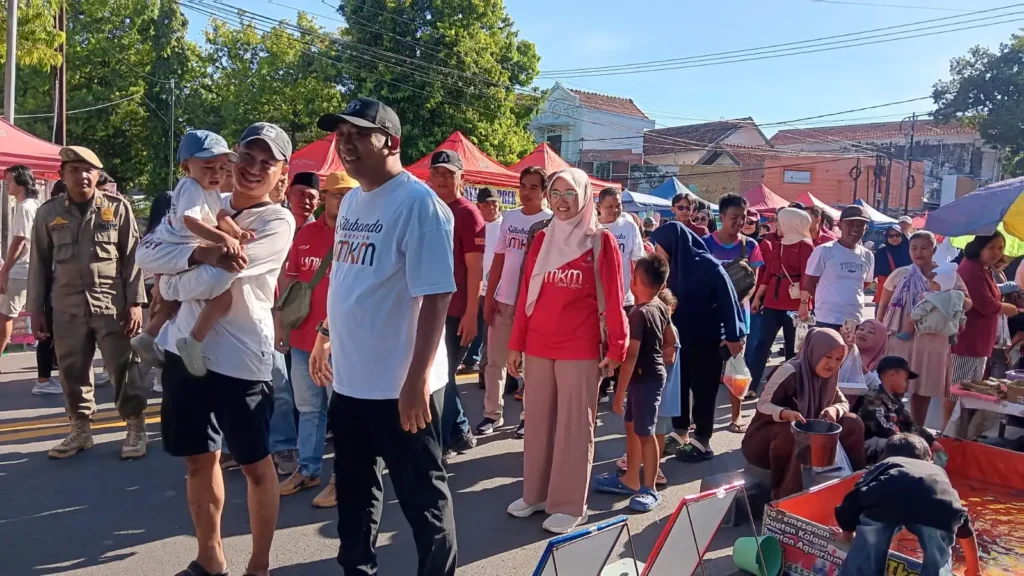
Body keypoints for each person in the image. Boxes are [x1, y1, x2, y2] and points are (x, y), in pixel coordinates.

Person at [309, 97, 457, 575]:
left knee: (422, 501)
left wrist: (414, 383)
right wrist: (324, 334)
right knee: (353, 498)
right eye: (340, 135)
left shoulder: (421, 206)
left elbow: (436, 298)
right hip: (351, 383)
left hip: (401, 390)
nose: (345, 144)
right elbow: (349, 280)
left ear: (390, 141)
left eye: (357, 134)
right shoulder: (351, 199)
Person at [505, 167, 627, 535]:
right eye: (554, 193)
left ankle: (570, 504)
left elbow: (616, 295)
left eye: (569, 193)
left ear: (584, 196)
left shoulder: (600, 241)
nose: (560, 201)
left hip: (580, 347)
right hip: (539, 344)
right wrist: (516, 343)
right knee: (538, 421)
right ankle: (535, 494)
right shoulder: (541, 239)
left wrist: (617, 346)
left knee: (575, 427)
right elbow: (527, 294)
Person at [27, 146, 148, 460]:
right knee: (72, 370)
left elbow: (133, 259)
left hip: (113, 305)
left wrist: (135, 302)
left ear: (97, 175)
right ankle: (81, 429)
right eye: (73, 170)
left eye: (88, 170)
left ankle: (135, 426)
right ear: (62, 175)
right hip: (67, 307)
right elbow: (38, 263)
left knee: (124, 367)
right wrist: (35, 309)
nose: (81, 175)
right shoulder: (48, 213)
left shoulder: (118, 208)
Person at [130, 130, 249, 376]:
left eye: (221, 167)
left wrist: (236, 230)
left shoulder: (210, 189)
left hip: (182, 248)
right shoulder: (191, 187)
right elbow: (191, 221)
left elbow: (219, 215)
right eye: (208, 166)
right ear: (186, 166)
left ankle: (150, 334)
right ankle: (193, 341)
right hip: (173, 244)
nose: (216, 174)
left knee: (172, 296)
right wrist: (223, 237)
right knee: (223, 297)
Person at [277, 171, 352, 507]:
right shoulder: (306, 233)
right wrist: (281, 328)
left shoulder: (360, 234)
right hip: (304, 338)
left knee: (343, 413)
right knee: (308, 409)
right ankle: (307, 470)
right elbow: (289, 278)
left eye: (350, 195)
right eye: (338, 194)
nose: (344, 201)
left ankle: (344, 477)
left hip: (343, 343)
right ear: (326, 198)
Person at [650, 222, 744, 462]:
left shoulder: (709, 266)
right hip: (680, 340)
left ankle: (703, 440)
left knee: (704, 390)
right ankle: (680, 431)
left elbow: (729, 300)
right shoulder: (671, 268)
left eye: (659, 246)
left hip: (707, 339)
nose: (656, 250)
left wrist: (734, 335)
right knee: (679, 386)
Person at [741, 328, 867, 499]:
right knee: (791, 432)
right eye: (828, 357)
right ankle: (784, 497)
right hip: (765, 444)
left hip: (810, 443)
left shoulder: (828, 377)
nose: (833, 364)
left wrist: (834, 410)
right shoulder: (790, 371)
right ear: (815, 351)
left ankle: (857, 486)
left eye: (838, 359)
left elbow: (843, 402)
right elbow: (763, 405)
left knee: (853, 422)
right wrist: (785, 414)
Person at [835, 433, 981, 576]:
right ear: (929, 459)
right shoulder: (937, 472)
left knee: (870, 541)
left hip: (886, 499)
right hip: (938, 508)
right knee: (938, 556)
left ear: (883, 457)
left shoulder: (886, 464)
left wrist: (847, 535)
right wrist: (974, 570)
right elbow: (963, 524)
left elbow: (854, 499)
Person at [595, 254, 674, 513]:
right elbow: (670, 335)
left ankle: (649, 487)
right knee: (632, 426)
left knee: (644, 431)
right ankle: (630, 478)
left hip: (645, 378)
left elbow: (630, 358)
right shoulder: (660, 306)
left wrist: (618, 396)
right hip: (649, 376)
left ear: (635, 282)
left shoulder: (638, 314)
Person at [480, 167, 552, 438]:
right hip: (503, 300)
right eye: (523, 186)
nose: (527, 192)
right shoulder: (509, 218)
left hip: (533, 305)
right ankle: (492, 415)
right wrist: (489, 296)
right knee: (494, 362)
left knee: (531, 366)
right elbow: (499, 258)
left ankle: (528, 417)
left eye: (533, 187)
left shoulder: (551, 222)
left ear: (544, 191)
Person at [877, 231, 972, 428]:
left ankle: (917, 430)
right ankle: (891, 427)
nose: (918, 252)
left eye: (924, 247)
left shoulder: (946, 275)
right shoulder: (900, 274)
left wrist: (945, 298)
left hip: (933, 340)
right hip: (900, 337)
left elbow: (968, 303)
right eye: (914, 248)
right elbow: (883, 304)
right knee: (896, 385)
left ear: (934, 250)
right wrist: (878, 330)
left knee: (923, 387)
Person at [426, 149, 484, 456]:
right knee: (440, 375)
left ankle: (448, 438)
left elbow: (475, 268)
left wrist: (472, 314)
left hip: (457, 309)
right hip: (429, 307)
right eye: (439, 173)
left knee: (441, 376)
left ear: (462, 178)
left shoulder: (468, 214)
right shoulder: (428, 209)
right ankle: (460, 431)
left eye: (450, 174)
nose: (444, 179)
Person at [702, 193, 762, 430]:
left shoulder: (751, 246)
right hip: (708, 318)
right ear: (722, 217)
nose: (740, 223)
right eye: (734, 217)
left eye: (744, 218)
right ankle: (700, 418)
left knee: (736, 369)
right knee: (705, 371)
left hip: (738, 319)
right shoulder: (705, 243)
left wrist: (736, 304)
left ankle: (735, 417)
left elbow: (753, 283)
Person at [951, 233, 1021, 434]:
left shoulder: (984, 268)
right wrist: (1010, 308)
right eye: (992, 247)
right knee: (957, 391)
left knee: (969, 389)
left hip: (980, 339)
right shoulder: (971, 268)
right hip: (967, 339)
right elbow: (986, 304)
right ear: (979, 247)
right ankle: (951, 435)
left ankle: (961, 434)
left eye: (1000, 247)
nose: (997, 252)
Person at [749, 208, 814, 397]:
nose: (777, 225)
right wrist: (759, 297)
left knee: (792, 349)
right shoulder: (779, 244)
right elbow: (769, 273)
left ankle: (788, 390)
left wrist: (804, 303)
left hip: (795, 304)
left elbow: (807, 277)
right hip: (773, 300)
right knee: (762, 343)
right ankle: (752, 385)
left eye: (780, 221)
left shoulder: (805, 245)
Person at [596, 187, 644, 402]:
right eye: (610, 207)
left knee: (623, 342)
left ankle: (620, 388)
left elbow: (637, 260)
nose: (614, 210)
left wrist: (639, 293)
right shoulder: (593, 227)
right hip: (598, 299)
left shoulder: (628, 225)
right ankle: (601, 386)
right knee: (601, 343)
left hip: (624, 297)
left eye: (618, 206)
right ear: (599, 207)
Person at [857, 357, 944, 464]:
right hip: (871, 447)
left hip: (889, 444)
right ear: (893, 375)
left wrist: (931, 440)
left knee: (911, 446)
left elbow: (910, 424)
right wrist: (909, 439)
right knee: (904, 447)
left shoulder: (895, 402)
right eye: (905, 379)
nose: (907, 384)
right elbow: (881, 428)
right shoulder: (874, 397)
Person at [802, 205, 875, 329]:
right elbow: (809, 283)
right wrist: (826, 300)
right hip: (826, 319)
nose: (855, 228)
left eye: (860, 225)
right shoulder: (824, 251)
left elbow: (864, 284)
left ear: (866, 228)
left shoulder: (868, 255)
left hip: (854, 320)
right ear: (840, 225)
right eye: (850, 223)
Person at [0, 166, 39, 366]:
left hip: (20, 269)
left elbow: (19, 240)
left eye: (9, 181)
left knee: (6, 315)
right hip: (26, 268)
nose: (7, 184)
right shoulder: (31, 205)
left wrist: (5, 269)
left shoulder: (25, 208)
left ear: (21, 183)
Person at [463, 187, 502, 378]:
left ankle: (484, 370)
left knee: (488, 330)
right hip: (474, 284)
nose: (491, 207)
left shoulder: (505, 226)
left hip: (494, 288)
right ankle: (470, 359)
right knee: (473, 325)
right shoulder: (476, 225)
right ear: (479, 206)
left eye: (494, 202)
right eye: (486, 204)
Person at [872, 225, 911, 304]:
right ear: (886, 237)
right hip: (884, 290)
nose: (894, 238)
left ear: (902, 236)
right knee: (882, 314)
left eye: (897, 235)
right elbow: (873, 271)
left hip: (905, 290)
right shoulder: (881, 253)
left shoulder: (909, 251)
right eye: (891, 236)